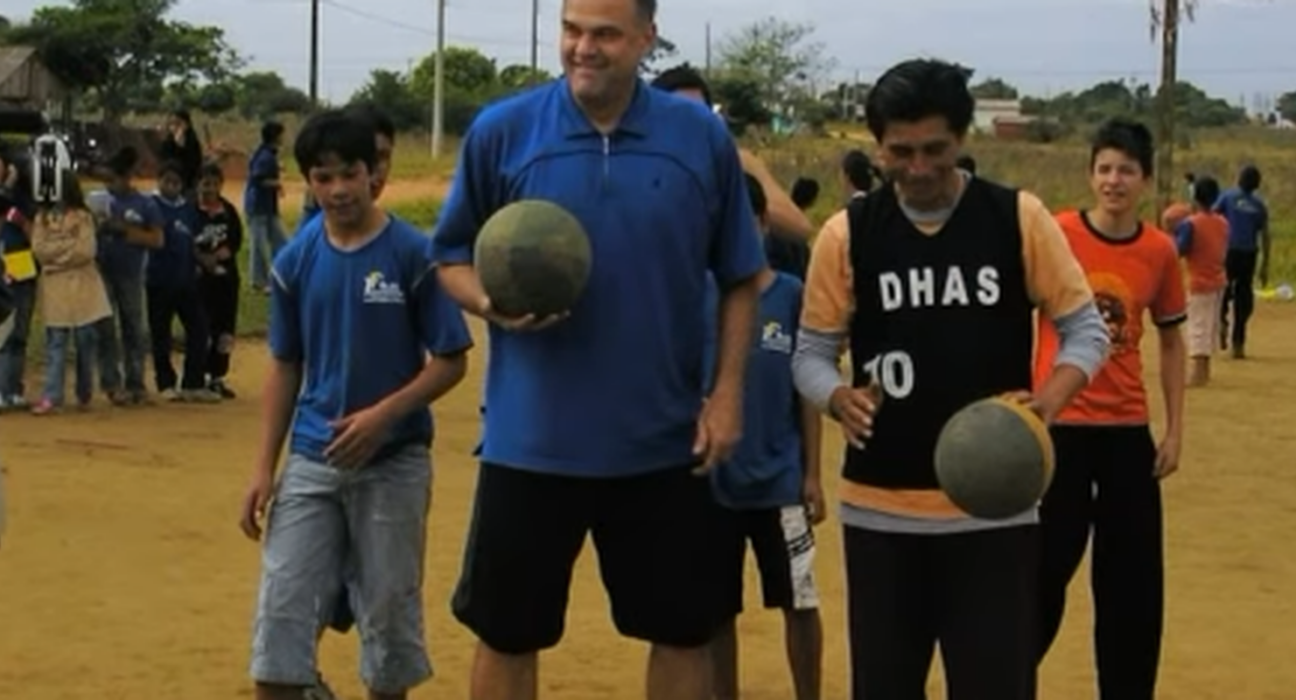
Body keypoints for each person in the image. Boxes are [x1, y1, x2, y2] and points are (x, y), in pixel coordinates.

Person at [430, 1, 767, 698]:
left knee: (681, 632)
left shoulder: (698, 138)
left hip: (664, 440)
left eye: (606, 34)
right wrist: (490, 302)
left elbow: (741, 276)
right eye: (572, 29)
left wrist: (729, 394)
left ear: (646, 39)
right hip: (531, 441)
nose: (583, 48)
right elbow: (450, 257)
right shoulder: (503, 131)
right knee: (506, 632)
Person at [790, 58, 1109, 700]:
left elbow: (1086, 330)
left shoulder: (1016, 218)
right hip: (880, 510)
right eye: (899, 152)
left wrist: (1047, 403)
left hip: (995, 511)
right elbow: (810, 354)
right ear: (878, 148)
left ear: (962, 140)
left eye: (934, 149)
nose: (917, 168)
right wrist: (837, 397)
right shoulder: (848, 234)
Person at [238, 109, 472, 700]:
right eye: (323, 177)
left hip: (394, 464)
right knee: (279, 632)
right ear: (308, 183)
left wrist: (384, 415)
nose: (338, 189)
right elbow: (285, 365)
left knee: (388, 632)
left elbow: (451, 360)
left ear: (374, 174)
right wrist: (264, 468)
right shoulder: (293, 264)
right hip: (312, 461)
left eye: (350, 173)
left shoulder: (413, 254)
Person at [1033, 117, 1187, 700]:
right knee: (1039, 575)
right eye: (1104, 169)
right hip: (1060, 431)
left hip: (1126, 435)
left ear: (1145, 179)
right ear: (1090, 175)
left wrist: (1174, 431)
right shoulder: (1057, 234)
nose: (1113, 181)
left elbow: (1171, 341)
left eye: (1126, 170)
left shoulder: (1159, 251)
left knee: (1132, 589)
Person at [707, 173, 824, 700]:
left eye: (745, 222)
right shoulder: (700, 296)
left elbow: (806, 391)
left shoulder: (792, 295)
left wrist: (812, 474)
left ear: (761, 224)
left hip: (781, 484)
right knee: (715, 611)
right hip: (714, 486)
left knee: (800, 601)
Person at [650, 63, 816, 242]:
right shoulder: (638, 166)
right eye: (679, 116)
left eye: (698, 115)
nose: (689, 126)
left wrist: (731, 185)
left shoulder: (735, 161)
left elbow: (800, 228)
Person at [28, 169, 110, 415]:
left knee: (85, 341)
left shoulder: (83, 217)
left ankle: (84, 392)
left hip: (83, 286)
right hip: (57, 288)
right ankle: (52, 396)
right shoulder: (42, 217)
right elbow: (39, 250)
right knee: (56, 342)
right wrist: (67, 249)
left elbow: (86, 250)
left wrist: (56, 258)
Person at [95, 146, 164, 406]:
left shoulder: (145, 204)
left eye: (113, 179)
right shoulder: (99, 201)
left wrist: (124, 230)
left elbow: (157, 239)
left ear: (126, 177)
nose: (109, 185)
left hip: (131, 273)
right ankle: (111, 383)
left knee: (134, 328)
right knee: (105, 329)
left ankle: (136, 382)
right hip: (103, 271)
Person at [147, 161, 219, 403]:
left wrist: (201, 261)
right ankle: (165, 382)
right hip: (159, 279)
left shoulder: (187, 209)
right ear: (159, 180)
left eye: (176, 182)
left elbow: (190, 241)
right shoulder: (151, 205)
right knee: (161, 334)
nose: (171, 186)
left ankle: (193, 381)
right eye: (166, 181)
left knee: (200, 328)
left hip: (185, 280)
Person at [192, 161, 244, 399]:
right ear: (198, 184)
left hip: (226, 280)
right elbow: (185, 239)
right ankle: (198, 374)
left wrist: (225, 253)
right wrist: (202, 259)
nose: (209, 189)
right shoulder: (191, 211)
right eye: (205, 184)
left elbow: (236, 239)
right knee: (202, 326)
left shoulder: (228, 211)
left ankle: (217, 376)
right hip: (200, 280)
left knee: (225, 329)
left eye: (214, 184)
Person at [1174, 174, 1229, 386]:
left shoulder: (1191, 223)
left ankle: (1197, 372)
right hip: (1218, 279)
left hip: (1198, 280)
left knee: (1197, 324)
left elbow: (1180, 249)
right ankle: (1204, 369)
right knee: (1210, 324)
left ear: (1195, 197)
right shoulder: (1222, 222)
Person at [1213, 164, 1269, 358]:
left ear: (1239, 179)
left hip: (1229, 251)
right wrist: (1265, 264)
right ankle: (1238, 341)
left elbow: (1211, 216)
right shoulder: (1259, 205)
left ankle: (1221, 320)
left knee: (1223, 290)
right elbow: (1265, 235)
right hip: (1248, 254)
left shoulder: (1227, 197)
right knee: (1243, 298)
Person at [0, 145, 37, 411]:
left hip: (21, 262)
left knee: (19, 330)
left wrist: (22, 222)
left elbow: (35, 235)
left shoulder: (23, 199)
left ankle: (12, 388)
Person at [244, 121, 288, 293]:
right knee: (259, 246)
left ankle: (283, 274)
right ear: (275, 136)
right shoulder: (265, 156)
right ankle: (259, 281)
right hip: (258, 208)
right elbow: (258, 179)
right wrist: (277, 184)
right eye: (281, 134)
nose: (284, 137)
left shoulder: (267, 154)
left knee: (282, 242)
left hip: (268, 208)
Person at [159, 109, 204, 197]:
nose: (174, 127)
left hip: (188, 185)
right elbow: (165, 164)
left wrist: (181, 147)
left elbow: (195, 164)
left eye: (178, 123)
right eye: (172, 124)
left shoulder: (193, 142)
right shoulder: (167, 143)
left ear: (187, 125)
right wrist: (177, 146)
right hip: (169, 184)